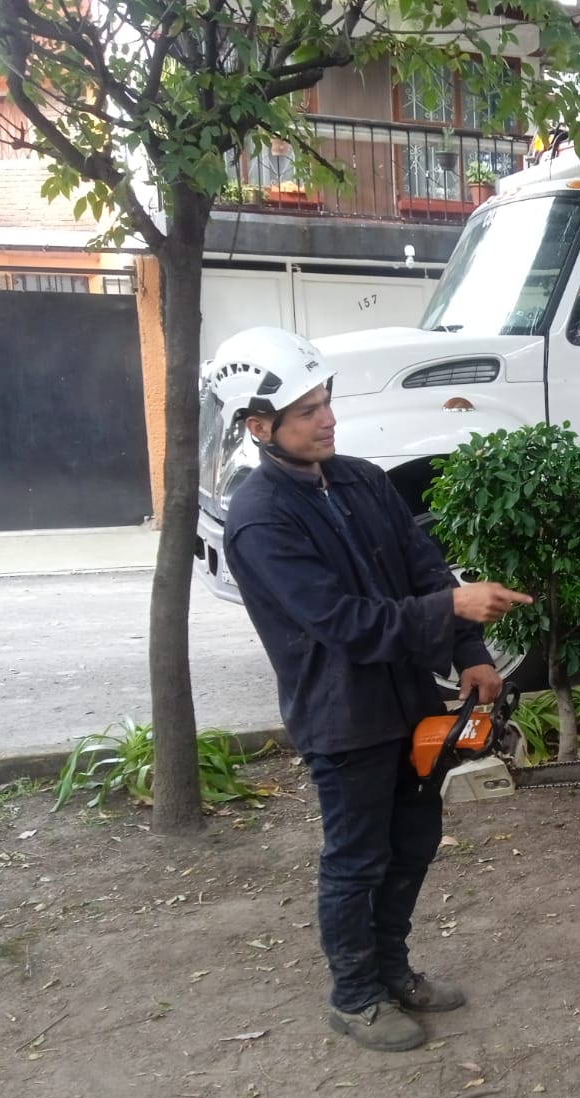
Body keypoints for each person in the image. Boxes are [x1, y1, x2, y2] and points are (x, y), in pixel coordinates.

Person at [215, 327, 531, 1052]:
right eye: (306, 411)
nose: (326, 418)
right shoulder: (259, 519)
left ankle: (394, 971)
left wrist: (472, 653)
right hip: (343, 718)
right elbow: (343, 624)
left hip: (410, 703)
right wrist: (451, 610)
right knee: (356, 857)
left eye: (325, 402)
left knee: (414, 842)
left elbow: (425, 570)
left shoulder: (360, 478)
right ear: (260, 427)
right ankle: (354, 996)